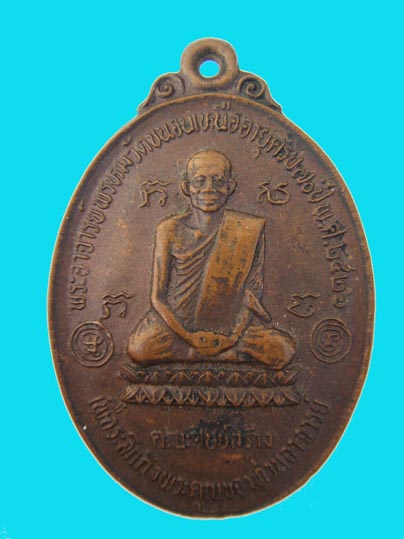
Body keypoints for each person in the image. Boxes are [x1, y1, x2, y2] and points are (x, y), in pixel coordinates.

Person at [127, 149, 295, 367]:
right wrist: (189, 337)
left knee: (283, 350)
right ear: (186, 187)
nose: (209, 189)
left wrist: (232, 337)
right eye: (200, 181)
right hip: (176, 325)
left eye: (218, 182)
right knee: (139, 349)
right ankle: (217, 354)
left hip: (228, 325)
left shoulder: (248, 230)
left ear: (230, 186)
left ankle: (208, 352)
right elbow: (157, 298)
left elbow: (251, 295)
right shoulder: (169, 229)